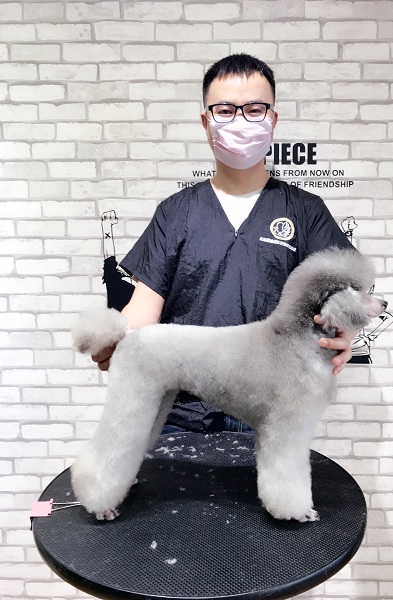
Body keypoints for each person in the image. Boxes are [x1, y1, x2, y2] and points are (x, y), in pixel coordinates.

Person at [92, 54, 356, 433]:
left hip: (270, 413)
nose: (240, 121)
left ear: (272, 119)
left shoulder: (305, 211)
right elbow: (144, 306)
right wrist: (119, 340)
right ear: (206, 122)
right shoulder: (175, 212)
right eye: (226, 110)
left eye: (254, 109)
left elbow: (343, 292)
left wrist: (344, 332)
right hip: (180, 414)